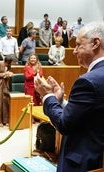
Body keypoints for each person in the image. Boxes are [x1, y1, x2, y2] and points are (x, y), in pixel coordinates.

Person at [34, 21, 104, 172]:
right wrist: (61, 102)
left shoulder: (88, 81)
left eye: (79, 45)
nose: (74, 51)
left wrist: (48, 96)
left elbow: (64, 124)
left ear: (95, 43)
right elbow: (92, 112)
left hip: (82, 161)